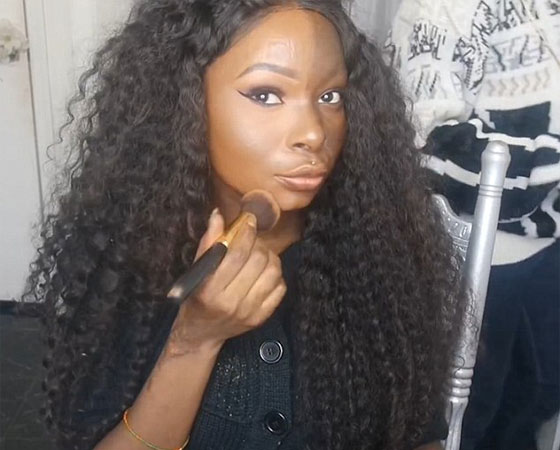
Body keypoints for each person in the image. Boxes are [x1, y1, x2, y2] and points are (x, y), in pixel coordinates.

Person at [25, 1, 467, 449]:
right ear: (186, 100)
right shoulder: (127, 258)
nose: (314, 133)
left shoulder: (381, 250)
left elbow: (419, 436)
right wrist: (194, 340)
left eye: (330, 97)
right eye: (266, 95)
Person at [386, 0, 560, 448]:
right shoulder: (438, 9)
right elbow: (427, 139)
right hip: (479, 254)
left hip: (548, 240)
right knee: (470, 409)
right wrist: (548, 161)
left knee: (540, 392)